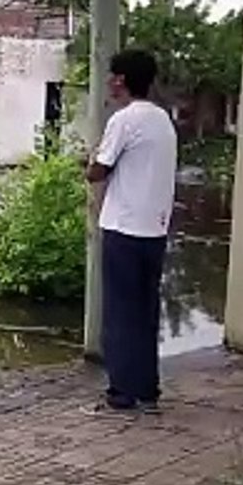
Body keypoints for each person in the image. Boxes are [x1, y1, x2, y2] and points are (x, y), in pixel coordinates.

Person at [85, 49, 177, 415]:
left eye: (112, 75)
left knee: (120, 312)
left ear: (121, 80)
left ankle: (121, 393)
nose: (108, 81)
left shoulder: (124, 120)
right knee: (145, 310)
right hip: (154, 231)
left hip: (123, 228)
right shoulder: (163, 121)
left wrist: (88, 161)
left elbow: (98, 170)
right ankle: (148, 391)